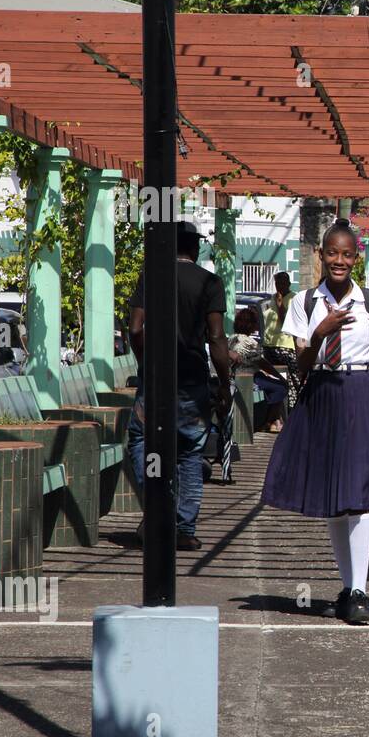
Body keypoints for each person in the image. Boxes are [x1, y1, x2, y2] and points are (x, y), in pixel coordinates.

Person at [261, 221, 369, 625]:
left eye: (347, 254)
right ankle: (348, 584)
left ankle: (359, 590)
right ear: (321, 255)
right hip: (321, 394)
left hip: (359, 393)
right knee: (334, 499)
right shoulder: (304, 303)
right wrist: (318, 334)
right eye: (332, 254)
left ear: (357, 258)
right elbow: (300, 370)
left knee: (359, 493)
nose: (339, 261)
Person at [127, 222, 233, 551]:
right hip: (192, 382)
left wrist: (147, 363)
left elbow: (135, 329)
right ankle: (184, 529)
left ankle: (159, 511)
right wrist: (225, 384)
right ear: (196, 248)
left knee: (142, 441)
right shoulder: (210, 283)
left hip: (156, 383)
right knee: (189, 454)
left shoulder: (153, 275)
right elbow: (216, 337)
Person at [230, 307, 288, 433]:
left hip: (234, 377)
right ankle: (268, 422)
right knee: (281, 387)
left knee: (268, 386)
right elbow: (262, 363)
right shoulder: (250, 342)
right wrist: (279, 377)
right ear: (251, 325)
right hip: (250, 377)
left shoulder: (231, 339)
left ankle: (273, 420)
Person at [262, 271, 298, 410]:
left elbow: (287, 322)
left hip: (285, 346)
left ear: (288, 283)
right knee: (273, 381)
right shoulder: (273, 297)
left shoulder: (293, 298)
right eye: (277, 283)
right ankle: (274, 414)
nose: (279, 286)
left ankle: (294, 408)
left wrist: (280, 304)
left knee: (294, 379)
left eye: (282, 283)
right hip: (269, 345)